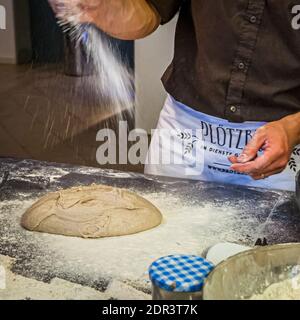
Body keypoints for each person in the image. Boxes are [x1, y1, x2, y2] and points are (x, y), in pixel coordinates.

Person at [49, 0, 300, 191]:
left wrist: (293, 128)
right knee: (159, 247)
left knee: (276, 256)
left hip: (282, 148)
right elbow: (149, 10)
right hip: (184, 135)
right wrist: (103, 8)